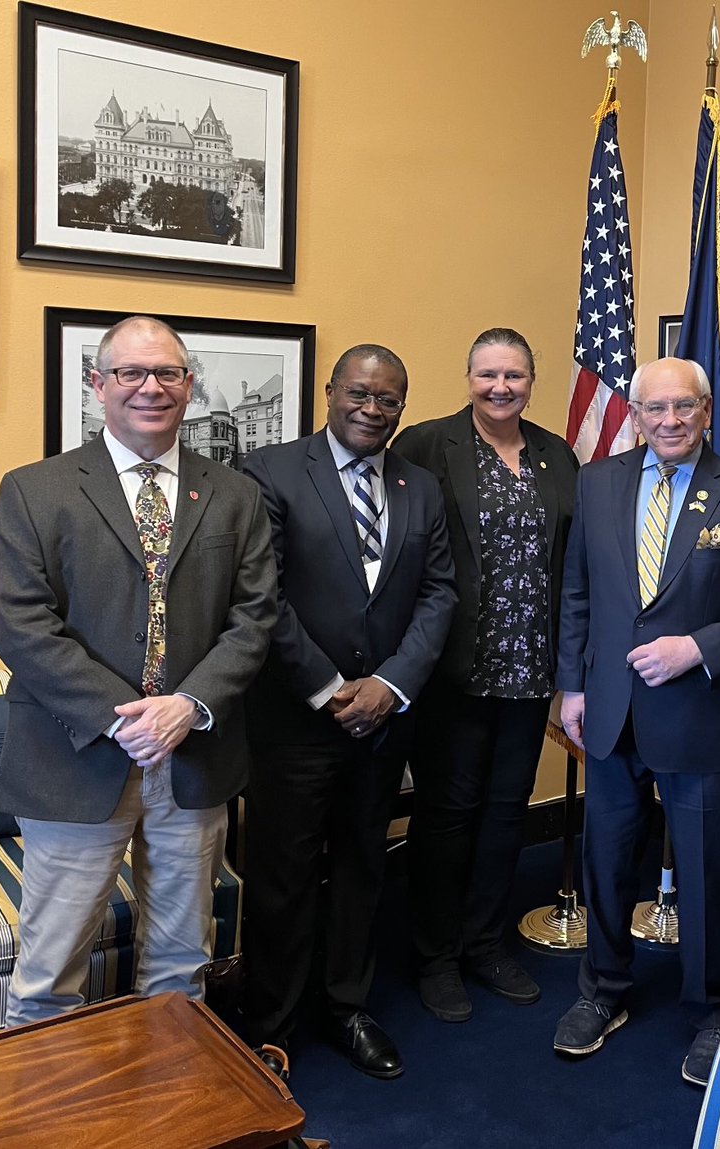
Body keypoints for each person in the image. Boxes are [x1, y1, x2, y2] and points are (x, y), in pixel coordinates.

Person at [0, 315, 277, 1026]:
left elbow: (256, 616)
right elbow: (21, 627)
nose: (151, 387)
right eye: (131, 373)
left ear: (188, 385)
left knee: (182, 967)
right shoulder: (34, 489)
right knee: (50, 977)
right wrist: (127, 718)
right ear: (98, 384)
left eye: (169, 373)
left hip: (195, 757)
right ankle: (45, 1130)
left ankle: (171, 1115)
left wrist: (189, 706)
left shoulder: (234, 495)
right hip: (76, 757)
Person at [553, 357, 720, 1087]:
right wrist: (570, 684)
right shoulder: (597, 482)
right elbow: (577, 591)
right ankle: (603, 991)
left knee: (710, 873)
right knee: (607, 859)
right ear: (636, 410)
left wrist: (697, 646)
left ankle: (716, 1006)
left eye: (682, 407)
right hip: (610, 713)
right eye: (654, 408)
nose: (668, 420)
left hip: (702, 720)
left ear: (705, 408)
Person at [240, 343, 456, 1079]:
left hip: (383, 718)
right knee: (283, 873)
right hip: (295, 721)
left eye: (389, 398)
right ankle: (270, 1021)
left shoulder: (419, 485)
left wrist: (390, 685)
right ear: (330, 392)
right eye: (360, 393)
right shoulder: (270, 470)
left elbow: (439, 594)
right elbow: (260, 597)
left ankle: (347, 1005)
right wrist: (330, 687)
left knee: (364, 863)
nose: (373, 408)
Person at [392, 328, 578, 1022]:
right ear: (468, 376)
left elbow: (571, 561)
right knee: (447, 814)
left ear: (532, 380)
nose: (502, 387)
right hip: (452, 673)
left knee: (506, 813)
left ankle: (486, 943)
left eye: (515, 376)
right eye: (488, 374)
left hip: (531, 670)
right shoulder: (423, 446)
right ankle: (436, 955)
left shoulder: (556, 455)